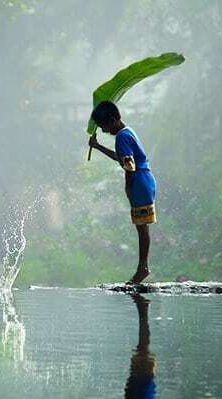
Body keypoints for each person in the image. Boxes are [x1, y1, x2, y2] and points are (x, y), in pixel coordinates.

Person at [89, 101, 157, 284]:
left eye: (104, 126)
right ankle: (142, 268)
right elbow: (121, 158)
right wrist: (97, 146)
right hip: (144, 180)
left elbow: (129, 165)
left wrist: (128, 187)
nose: (103, 131)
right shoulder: (127, 132)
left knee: (142, 228)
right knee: (142, 227)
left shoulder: (122, 137)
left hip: (139, 182)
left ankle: (143, 269)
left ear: (112, 120)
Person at [125, 294, 156, 398]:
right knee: (142, 350)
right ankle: (143, 310)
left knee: (142, 350)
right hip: (142, 384)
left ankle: (143, 310)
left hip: (141, 384)